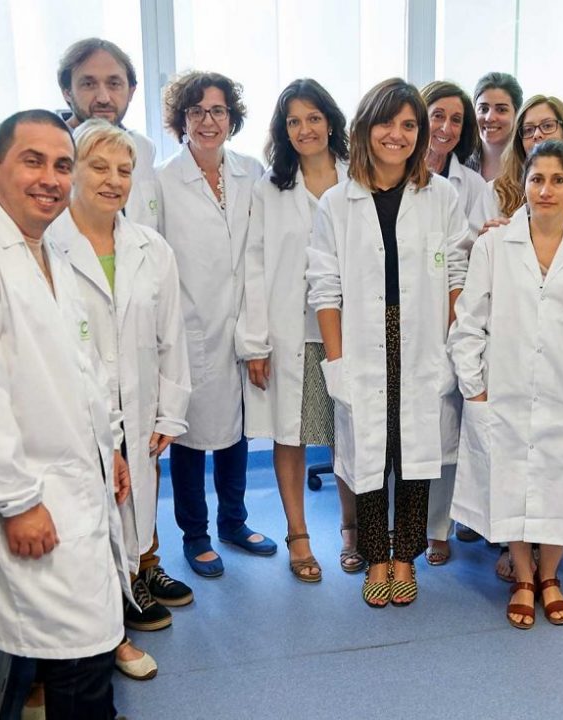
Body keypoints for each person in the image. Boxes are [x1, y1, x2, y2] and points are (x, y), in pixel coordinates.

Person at [0, 110, 132, 718]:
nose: (50, 179)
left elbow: (82, 367)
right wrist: (16, 501)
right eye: (32, 161)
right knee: (77, 663)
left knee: (88, 653)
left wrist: (109, 448)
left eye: (62, 165)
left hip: (76, 480)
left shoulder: (47, 249)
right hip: (34, 495)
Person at [449, 140, 563, 629]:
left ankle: (550, 575)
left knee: (560, 486)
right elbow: (469, 323)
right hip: (503, 392)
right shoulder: (494, 245)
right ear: (523, 184)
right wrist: (475, 389)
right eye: (536, 179)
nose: (545, 190)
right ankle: (524, 577)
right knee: (510, 483)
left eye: (557, 180)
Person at [307, 78, 469, 607]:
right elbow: (324, 289)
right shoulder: (337, 201)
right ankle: (377, 555)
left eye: (408, 125)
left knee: (415, 453)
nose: (396, 134)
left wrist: (453, 345)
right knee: (371, 452)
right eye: (386, 122)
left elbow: (457, 276)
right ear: (365, 128)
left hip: (423, 339)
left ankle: (406, 559)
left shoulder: (441, 196)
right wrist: (337, 363)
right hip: (363, 340)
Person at [47, 120, 191, 681]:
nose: (113, 180)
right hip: (77, 413)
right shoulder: (50, 246)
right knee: (88, 522)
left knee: (133, 509)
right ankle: (109, 631)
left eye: (124, 171)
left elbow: (172, 336)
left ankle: (129, 591)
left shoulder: (151, 248)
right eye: (99, 167)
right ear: (73, 172)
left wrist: (171, 412)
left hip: (139, 405)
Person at [236, 78, 363, 581]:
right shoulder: (270, 188)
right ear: (283, 130)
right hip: (290, 333)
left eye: (313, 118)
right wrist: (255, 342)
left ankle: (352, 530)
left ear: (330, 122)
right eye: (293, 121)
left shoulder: (359, 178)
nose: (304, 129)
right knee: (290, 434)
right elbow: (254, 266)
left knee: (349, 434)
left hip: (347, 330)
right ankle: (298, 535)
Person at [156, 71, 275, 577]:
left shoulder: (252, 173)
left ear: (232, 118)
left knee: (236, 430)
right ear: (181, 120)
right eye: (197, 111)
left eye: (218, 110)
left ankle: (233, 521)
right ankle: (196, 534)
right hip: (187, 327)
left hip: (241, 322)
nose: (208, 121)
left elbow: (259, 252)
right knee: (187, 435)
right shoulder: (162, 181)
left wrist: (257, 334)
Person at [417, 80, 483, 566]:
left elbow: (465, 260)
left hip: (450, 318)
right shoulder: (392, 172)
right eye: (437, 115)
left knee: (445, 429)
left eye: (456, 119)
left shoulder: (470, 186)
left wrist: (454, 329)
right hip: (400, 321)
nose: (445, 127)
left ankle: (437, 527)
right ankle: (390, 525)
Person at [58, 37, 160, 229]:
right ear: (67, 92)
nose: (103, 98)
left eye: (114, 84)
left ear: (131, 91)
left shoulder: (143, 148)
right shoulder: (52, 150)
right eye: (89, 84)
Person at [474, 94, 563, 232]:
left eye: (547, 126)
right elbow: (472, 242)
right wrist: (483, 238)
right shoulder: (496, 192)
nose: (537, 135)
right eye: (528, 130)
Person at [466, 72, 523, 182]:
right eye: (484, 109)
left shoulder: (528, 168)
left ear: (517, 114)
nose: (490, 118)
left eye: (501, 110)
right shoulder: (460, 164)